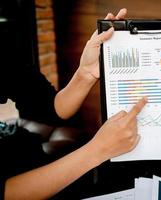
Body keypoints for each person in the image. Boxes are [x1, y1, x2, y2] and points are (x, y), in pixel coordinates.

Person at [0, 8, 147, 200]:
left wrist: (85, 73)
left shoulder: (4, 43)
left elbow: (47, 108)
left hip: (30, 156)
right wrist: (97, 150)